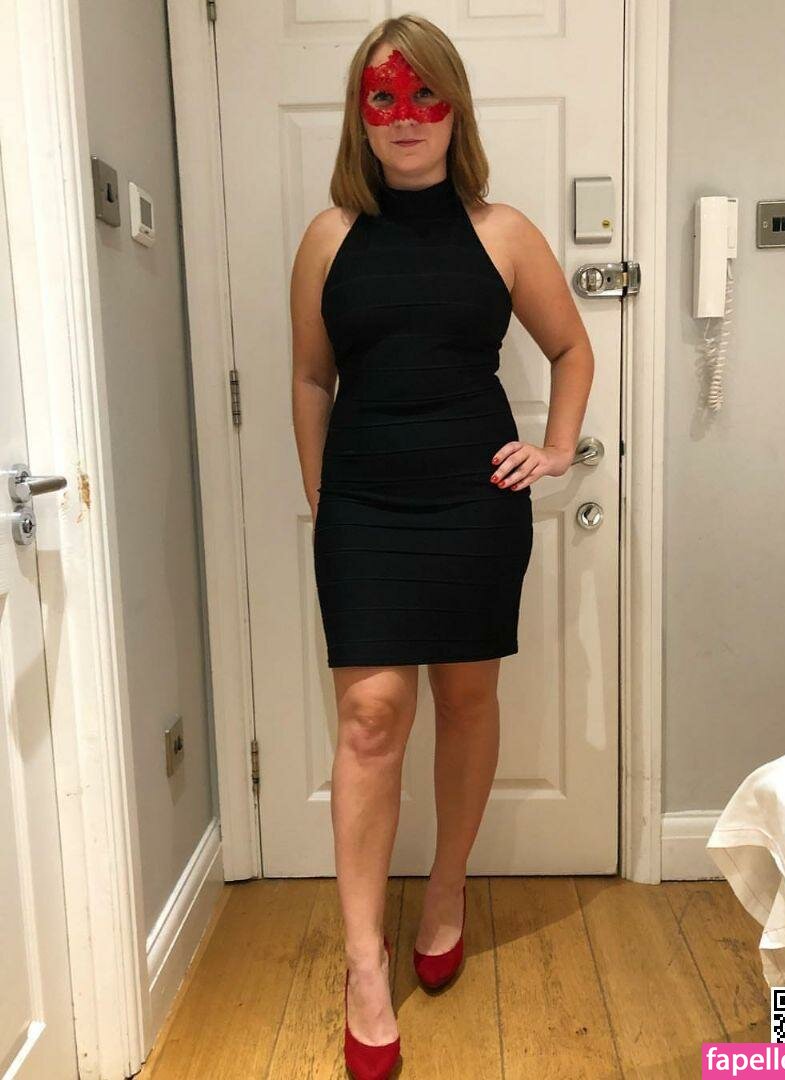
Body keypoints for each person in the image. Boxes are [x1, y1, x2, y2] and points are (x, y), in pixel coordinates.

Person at [290, 14, 594, 1078]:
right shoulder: (328, 237)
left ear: (455, 109)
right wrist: (323, 495)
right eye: (384, 97)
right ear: (360, 116)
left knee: (467, 701)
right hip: (365, 506)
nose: (406, 117)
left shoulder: (503, 231)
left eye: (426, 96)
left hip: (474, 501)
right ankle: (362, 963)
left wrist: (558, 448)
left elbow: (571, 346)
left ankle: (448, 886)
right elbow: (310, 377)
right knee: (372, 718)